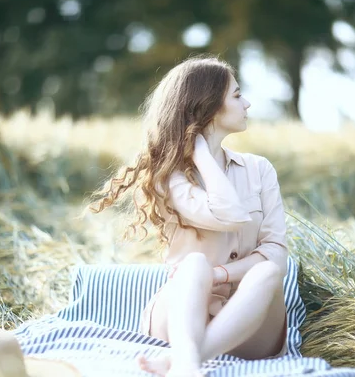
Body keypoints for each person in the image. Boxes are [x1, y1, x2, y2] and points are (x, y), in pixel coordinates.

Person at [89, 55, 289, 377]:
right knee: (195, 265)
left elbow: (277, 256)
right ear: (208, 108)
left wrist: (222, 273)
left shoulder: (259, 170)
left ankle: (182, 363)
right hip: (179, 315)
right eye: (237, 95)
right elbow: (230, 214)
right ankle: (185, 358)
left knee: (266, 273)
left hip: (247, 319)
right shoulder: (169, 177)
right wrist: (201, 155)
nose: (247, 103)